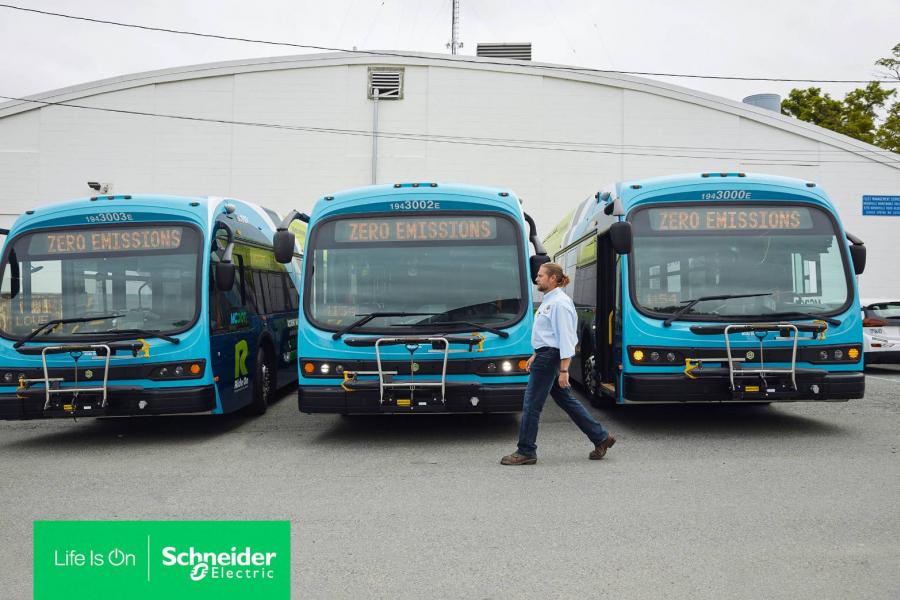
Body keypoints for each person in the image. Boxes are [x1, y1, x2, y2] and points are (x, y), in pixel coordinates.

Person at [501, 263, 616, 465]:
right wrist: (536, 354)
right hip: (546, 356)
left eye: (540, 275)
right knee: (566, 401)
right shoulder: (550, 301)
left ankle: (526, 451)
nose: (537, 279)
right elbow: (549, 336)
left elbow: (566, 338)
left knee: (531, 404)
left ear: (553, 278)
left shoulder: (559, 304)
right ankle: (601, 437)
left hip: (550, 358)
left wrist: (564, 370)